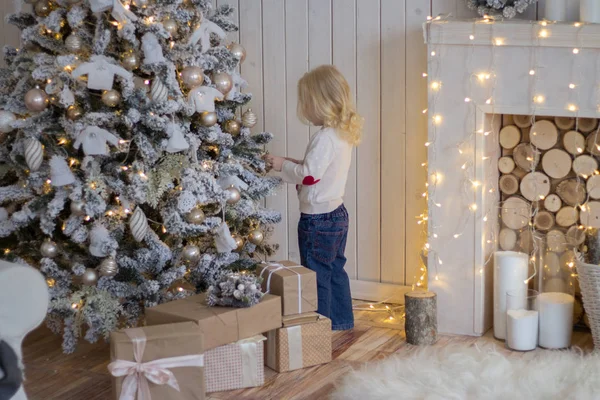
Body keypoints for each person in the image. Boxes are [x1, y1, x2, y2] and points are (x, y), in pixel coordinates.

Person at [265, 65, 363, 330]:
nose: (304, 110)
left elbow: (309, 176)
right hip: (337, 214)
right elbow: (318, 169)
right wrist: (289, 161)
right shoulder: (341, 134)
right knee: (335, 271)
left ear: (320, 103)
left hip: (317, 219)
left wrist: (279, 166)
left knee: (316, 273)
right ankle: (341, 321)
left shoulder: (324, 138)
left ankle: (319, 328)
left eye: (306, 103)